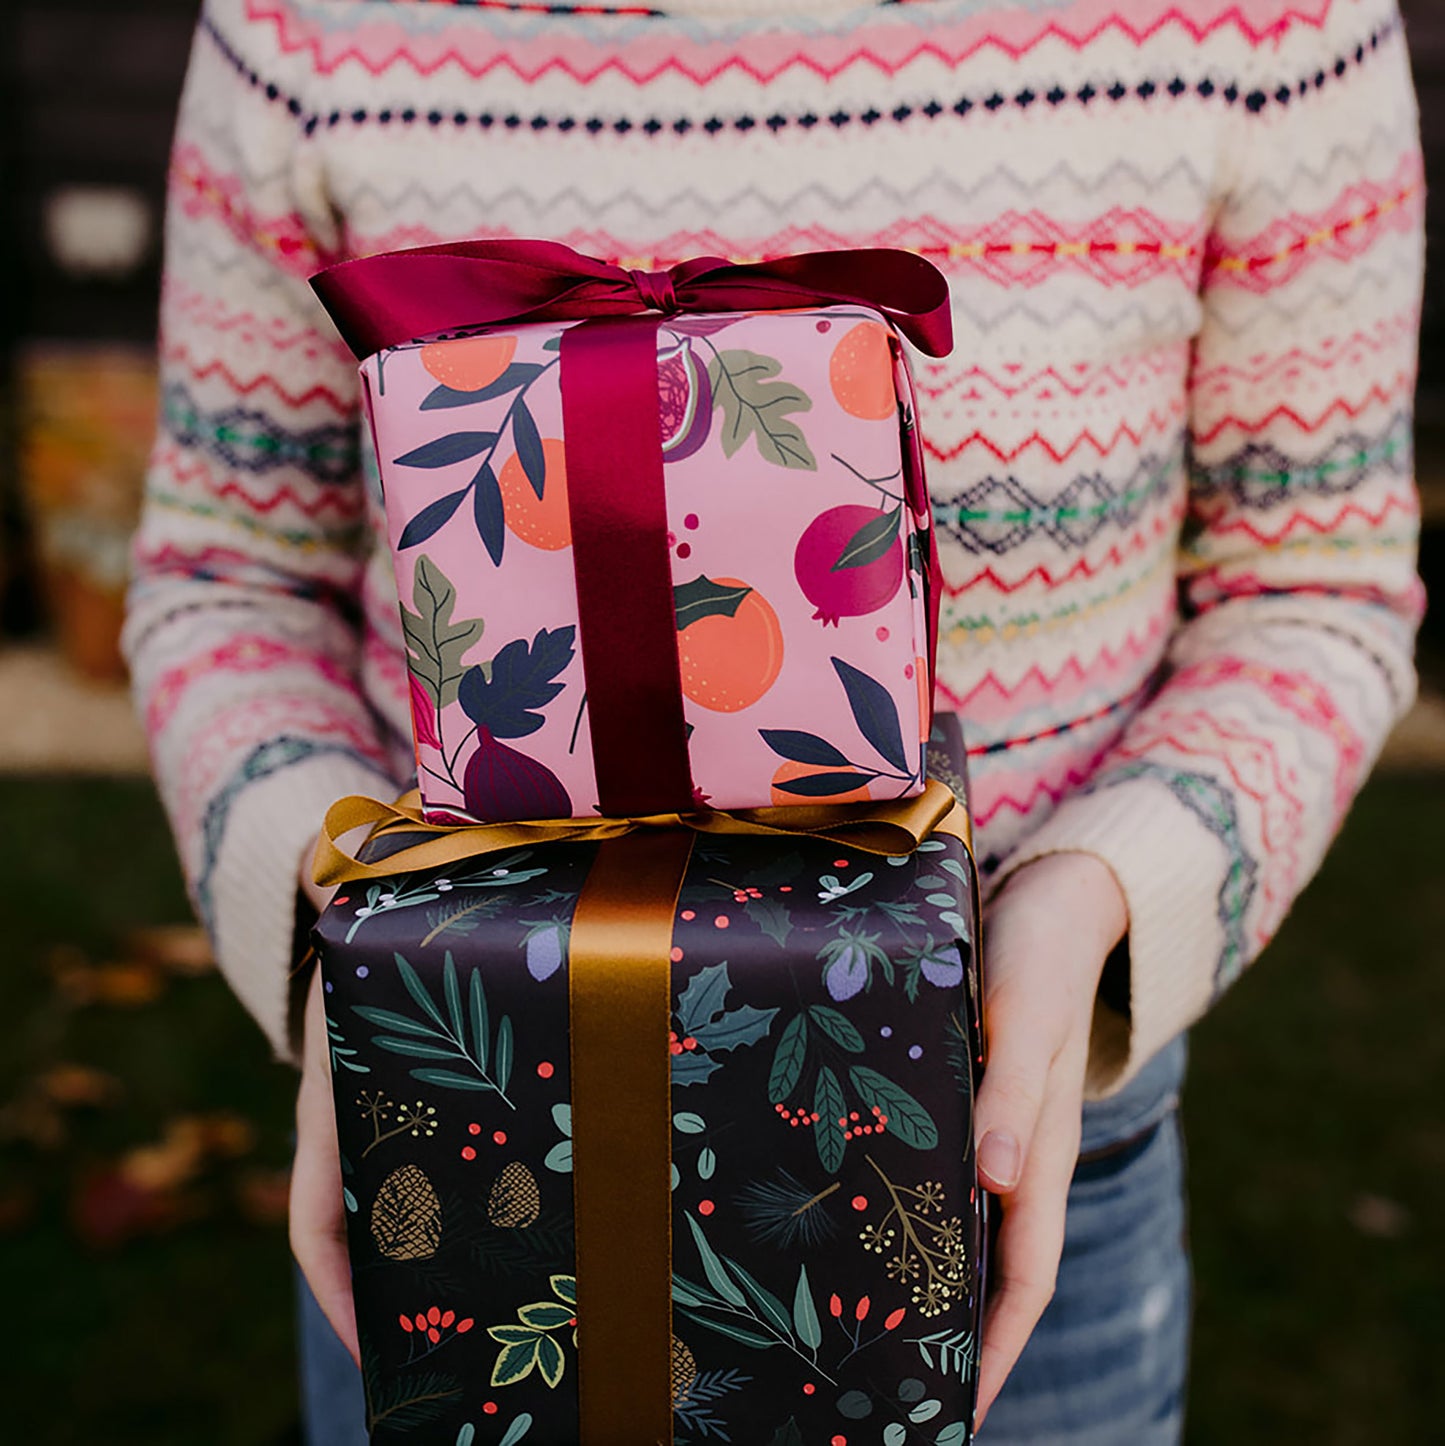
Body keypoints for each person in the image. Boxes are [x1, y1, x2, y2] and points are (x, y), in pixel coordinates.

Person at [125, 0, 1426, 1440]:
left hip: (999, 1154)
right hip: (458, 1128)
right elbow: (225, 575)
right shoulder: (303, 23)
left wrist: (1094, 894)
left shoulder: (1271, 22)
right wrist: (355, 946)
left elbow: (1311, 587)